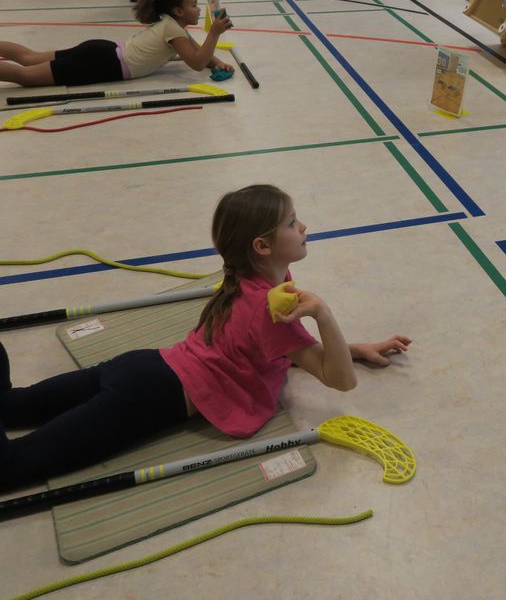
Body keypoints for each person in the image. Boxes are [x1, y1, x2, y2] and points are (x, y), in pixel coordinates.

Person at [0, 184, 413, 490]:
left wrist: (353, 349)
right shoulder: (271, 307)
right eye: (292, 222)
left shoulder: (252, 277)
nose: (303, 226)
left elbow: (282, 350)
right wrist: (324, 313)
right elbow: (341, 381)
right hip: (148, 396)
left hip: (142, 367)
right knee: (11, 467)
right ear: (262, 246)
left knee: (11, 404)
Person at [0, 0, 234, 88]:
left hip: (103, 51)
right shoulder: (173, 29)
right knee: (26, 76)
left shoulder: (172, 25)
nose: (199, 9)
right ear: (178, 11)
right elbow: (196, 62)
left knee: (30, 58)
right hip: (104, 62)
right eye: (194, 5)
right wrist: (214, 34)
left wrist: (218, 63)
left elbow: (197, 52)